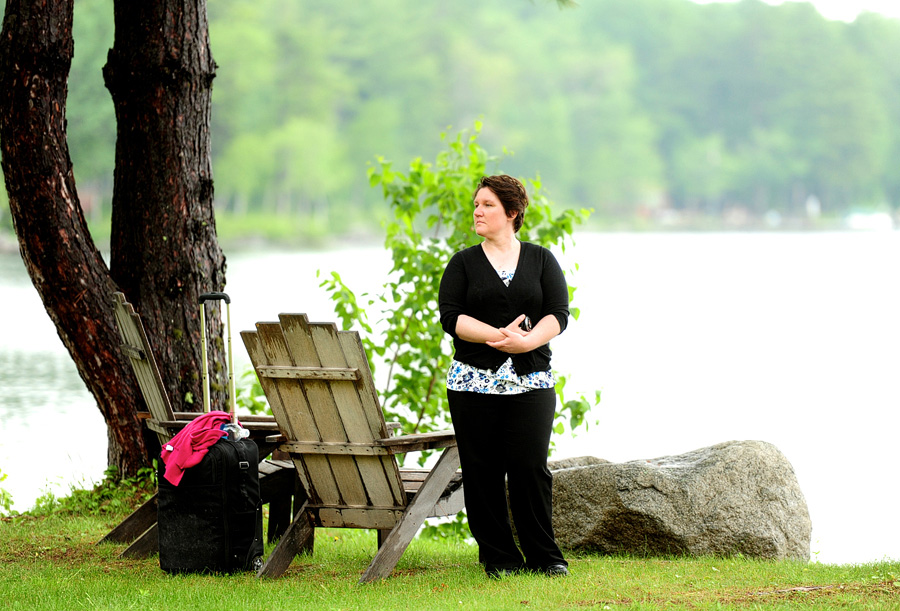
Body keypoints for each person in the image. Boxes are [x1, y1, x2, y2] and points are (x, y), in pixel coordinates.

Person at [439, 174, 570, 578]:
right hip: (472, 383)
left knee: (531, 468)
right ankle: (499, 558)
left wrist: (527, 344)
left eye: (487, 205)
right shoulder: (462, 263)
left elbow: (558, 313)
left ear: (512, 212)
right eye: (476, 205)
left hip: (532, 381)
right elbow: (451, 317)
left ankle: (546, 558)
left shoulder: (541, 259)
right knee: (482, 471)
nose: (477, 211)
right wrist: (499, 337)